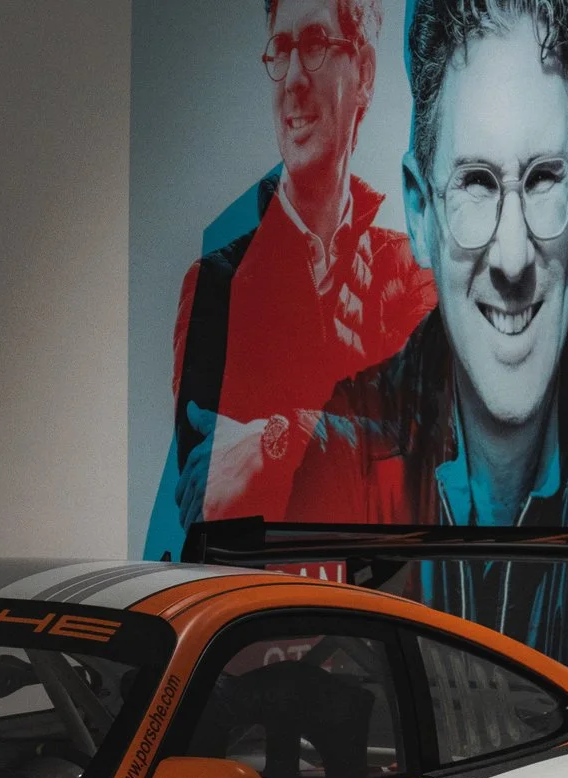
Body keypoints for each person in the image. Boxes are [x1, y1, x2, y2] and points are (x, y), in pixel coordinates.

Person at [286, 0, 568, 695]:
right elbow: (307, 723)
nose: (511, 257)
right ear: (421, 213)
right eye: (476, 183)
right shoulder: (349, 445)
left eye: (542, 179)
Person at [167, 0, 437, 530]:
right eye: (281, 50)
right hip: (263, 603)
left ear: (363, 73)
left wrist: (272, 442)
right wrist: (361, 447)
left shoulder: (409, 275)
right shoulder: (214, 286)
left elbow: (432, 458)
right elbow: (208, 496)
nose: (292, 79)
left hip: (382, 603)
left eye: (314, 45)